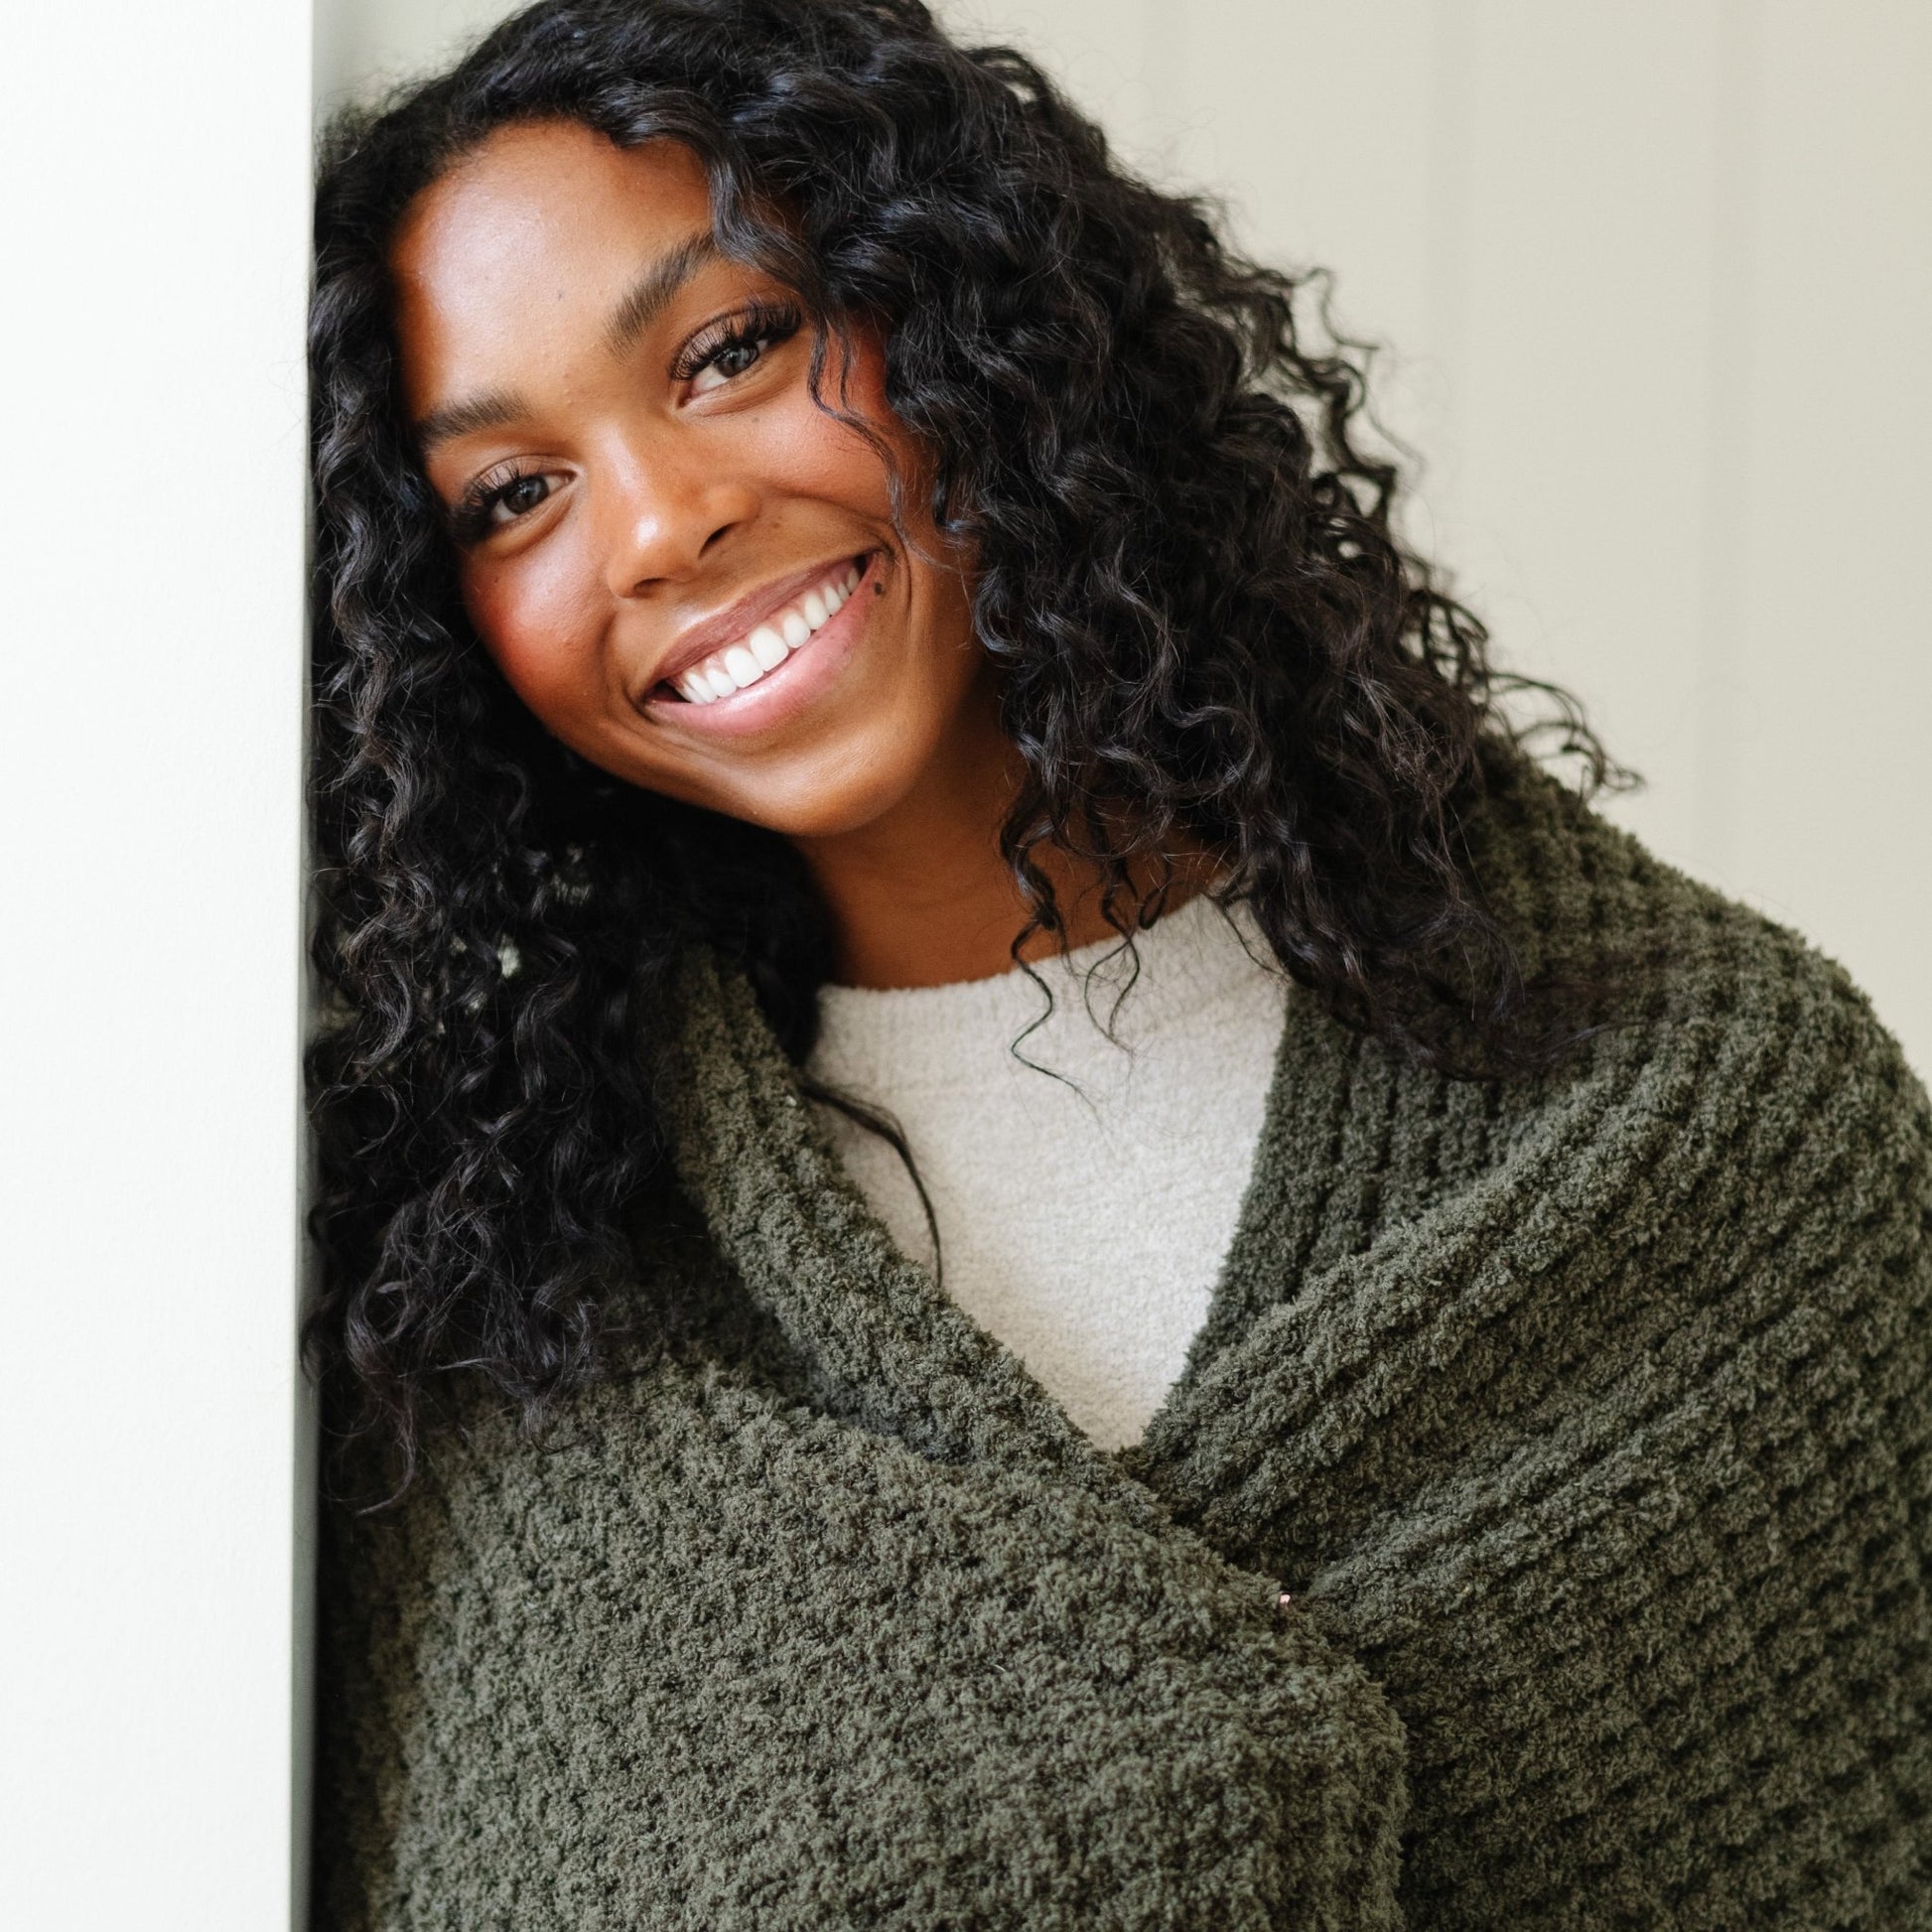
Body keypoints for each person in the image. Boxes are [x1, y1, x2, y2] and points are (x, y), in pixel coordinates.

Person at [303, 1, 1932, 1924]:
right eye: (511, 493)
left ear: (969, 323)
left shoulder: (1710, 1118)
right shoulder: (500, 1327)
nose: (662, 520)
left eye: (731, 348)